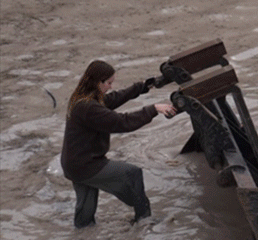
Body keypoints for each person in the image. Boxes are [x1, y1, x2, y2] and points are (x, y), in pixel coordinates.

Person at [60, 60, 176, 228]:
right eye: (108, 83)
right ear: (97, 82)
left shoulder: (82, 97)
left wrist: (143, 87)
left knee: (85, 214)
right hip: (86, 165)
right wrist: (154, 109)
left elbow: (112, 100)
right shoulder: (87, 107)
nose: (111, 86)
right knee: (132, 173)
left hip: (73, 164)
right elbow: (122, 122)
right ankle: (144, 220)